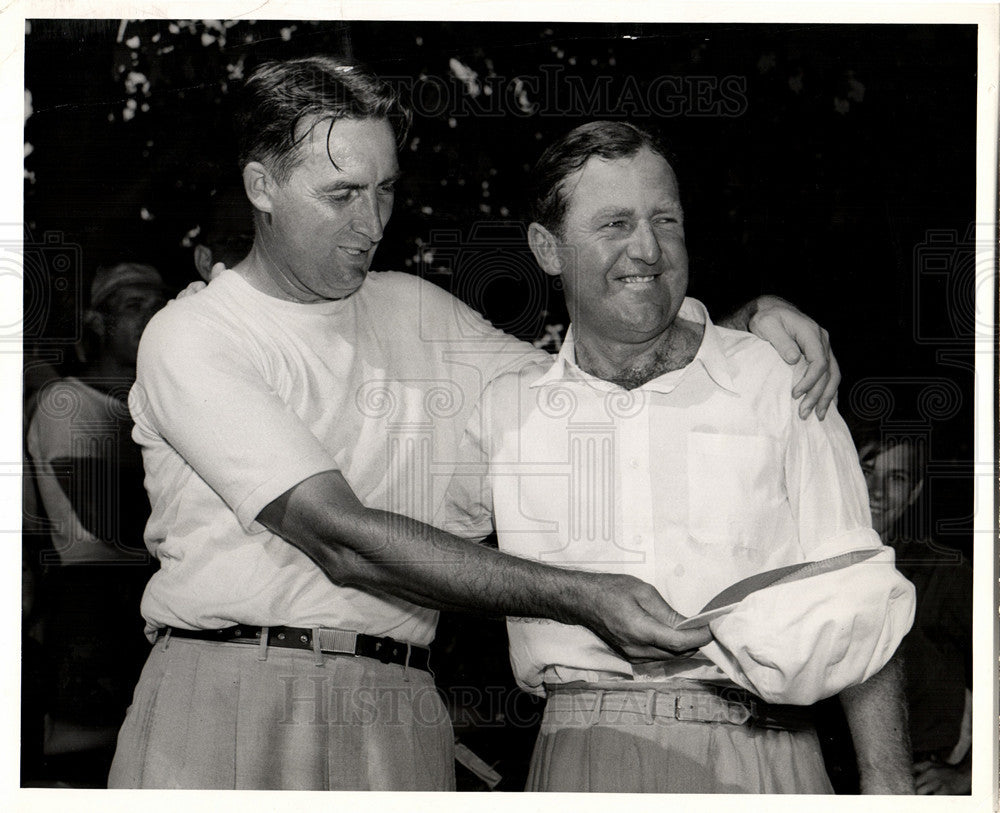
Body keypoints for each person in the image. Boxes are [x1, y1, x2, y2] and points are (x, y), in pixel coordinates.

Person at [108, 56, 840, 791]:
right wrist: (581, 594)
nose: (371, 224)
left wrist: (733, 331)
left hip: (400, 708)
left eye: (385, 190)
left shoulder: (416, 310)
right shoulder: (193, 335)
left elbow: (587, 389)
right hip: (230, 691)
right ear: (262, 185)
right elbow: (340, 538)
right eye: (342, 195)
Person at [441, 121, 916, 794]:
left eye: (665, 219)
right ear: (547, 249)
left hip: (767, 757)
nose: (648, 247)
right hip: (582, 761)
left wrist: (889, 784)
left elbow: (860, 599)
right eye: (614, 223)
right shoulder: (504, 411)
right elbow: (416, 558)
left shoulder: (776, 378)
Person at [25, 262, 168, 784]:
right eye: (133, 307)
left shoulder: (160, 410)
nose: (150, 317)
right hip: (94, 603)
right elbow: (110, 518)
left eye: (158, 305)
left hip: (156, 605)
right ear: (97, 322)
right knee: (92, 763)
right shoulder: (67, 403)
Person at [851, 422, 972, 794]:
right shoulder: (810, 562)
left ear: (914, 491)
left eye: (897, 477)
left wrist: (968, 775)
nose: (876, 491)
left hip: (915, 780)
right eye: (867, 471)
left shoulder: (945, 572)